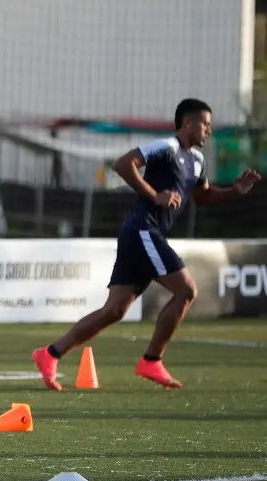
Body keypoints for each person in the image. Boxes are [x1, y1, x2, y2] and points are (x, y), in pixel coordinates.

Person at [32, 98, 261, 391]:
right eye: (205, 124)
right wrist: (155, 195)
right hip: (143, 230)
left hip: (141, 234)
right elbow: (123, 164)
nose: (209, 131)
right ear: (187, 123)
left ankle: (49, 354)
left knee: (114, 310)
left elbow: (203, 197)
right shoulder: (166, 147)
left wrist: (234, 191)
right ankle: (152, 360)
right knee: (186, 290)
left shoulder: (198, 161)